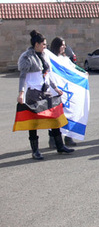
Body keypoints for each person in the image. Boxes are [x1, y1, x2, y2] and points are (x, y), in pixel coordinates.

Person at [16, 30, 74, 160]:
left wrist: (55, 88)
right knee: (33, 123)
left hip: (46, 91)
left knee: (54, 118)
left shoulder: (44, 56)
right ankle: (35, 150)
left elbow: (47, 76)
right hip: (33, 93)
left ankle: (60, 146)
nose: (45, 46)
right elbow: (22, 77)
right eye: (43, 44)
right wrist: (21, 93)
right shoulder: (27, 58)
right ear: (36, 44)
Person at [49, 36, 84, 147]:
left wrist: (83, 73)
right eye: (62, 45)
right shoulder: (51, 59)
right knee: (55, 115)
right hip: (55, 90)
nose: (64, 46)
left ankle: (68, 137)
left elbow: (74, 68)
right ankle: (53, 139)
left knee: (69, 113)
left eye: (64, 44)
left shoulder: (65, 59)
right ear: (57, 46)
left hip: (67, 90)